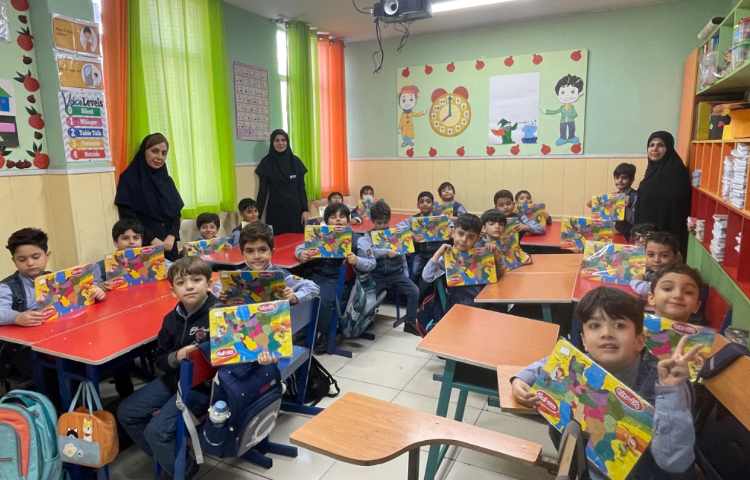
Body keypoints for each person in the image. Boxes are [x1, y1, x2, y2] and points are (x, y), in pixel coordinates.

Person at [511, 287, 699, 479]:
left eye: (619, 325)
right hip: (590, 466)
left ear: (639, 340)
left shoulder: (667, 384)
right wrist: (521, 379)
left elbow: (674, 463)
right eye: (595, 326)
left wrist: (671, 392)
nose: (607, 333)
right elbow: (552, 361)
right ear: (584, 341)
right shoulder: (584, 361)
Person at [117, 257, 278, 478]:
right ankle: (173, 460)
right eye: (181, 283)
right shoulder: (170, 319)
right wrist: (177, 356)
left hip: (207, 388)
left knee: (157, 432)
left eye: (196, 280)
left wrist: (263, 356)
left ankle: (184, 470)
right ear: (173, 290)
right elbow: (160, 359)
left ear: (209, 284)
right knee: (127, 412)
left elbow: (253, 345)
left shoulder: (225, 313)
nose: (189, 286)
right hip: (174, 380)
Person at [1, 228, 104, 394]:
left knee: (85, 353)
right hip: (26, 350)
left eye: (36, 257)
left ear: (47, 256)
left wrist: (96, 292)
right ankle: (59, 400)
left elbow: (77, 297)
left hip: (59, 338)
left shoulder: (56, 278)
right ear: (14, 261)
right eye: (22, 259)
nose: (30, 263)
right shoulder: (7, 287)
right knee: (55, 375)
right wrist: (17, 317)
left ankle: (80, 396)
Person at [295, 203, 374, 349]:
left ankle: (323, 334)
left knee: (322, 298)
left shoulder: (359, 239)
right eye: (333, 217)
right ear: (327, 221)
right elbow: (300, 247)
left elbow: (371, 263)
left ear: (348, 220)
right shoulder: (321, 234)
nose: (337, 220)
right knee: (295, 293)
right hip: (315, 274)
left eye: (342, 217)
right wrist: (301, 254)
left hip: (337, 279)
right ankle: (301, 331)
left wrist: (357, 260)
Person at [115, 133, 184, 261]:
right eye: (154, 151)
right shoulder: (129, 179)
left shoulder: (167, 180)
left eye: (164, 153)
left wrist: (172, 235)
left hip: (169, 245)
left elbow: (176, 213)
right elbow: (128, 216)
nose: (159, 157)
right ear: (144, 152)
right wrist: (152, 239)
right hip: (144, 244)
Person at [634, 131, 691, 257]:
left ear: (669, 148)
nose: (655, 149)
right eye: (651, 145)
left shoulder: (676, 171)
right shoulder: (652, 170)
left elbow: (675, 208)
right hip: (648, 234)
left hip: (664, 238)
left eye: (660, 145)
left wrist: (658, 237)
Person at [236, 223, 319, 304]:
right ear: (243, 254)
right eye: (250, 251)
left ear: (272, 252)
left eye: (262, 250)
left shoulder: (281, 275)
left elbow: (313, 287)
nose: (256, 256)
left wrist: (294, 297)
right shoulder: (237, 276)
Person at [369, 200, 419, 328]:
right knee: (369, 299)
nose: (383, 226)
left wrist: (406, 273)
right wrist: (386, 253)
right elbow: (368, 252)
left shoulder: (395, 234)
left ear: (389, 220)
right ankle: (367, 322)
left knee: (414, 291)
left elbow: (403, 256)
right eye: (379, 223)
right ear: (372, 221)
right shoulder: (368, 235)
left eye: (385, 222)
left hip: (396, 274)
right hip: (377, 275)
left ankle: (410, 323)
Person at [422, 213, 488, 308]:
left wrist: (494, 254)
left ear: (477, 238)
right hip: (458, 305)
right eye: (460, 233)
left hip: (482, 303)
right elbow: (427, 276)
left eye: (471, 237)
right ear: (453, 233)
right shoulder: (447, 256)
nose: (464, 239)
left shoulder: (482, 254)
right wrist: (438, 254)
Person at [255, 129, 309, 234]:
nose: (280, 143)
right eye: (277, 140)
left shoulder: (296, 161)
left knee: (296, 240)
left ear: (287, 142)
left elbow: (301, 189)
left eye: (283, 140)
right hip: (275, 212)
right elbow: (262, 192)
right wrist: (257, 216)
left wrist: (305, 210)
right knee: (277, 241)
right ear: (272, 143)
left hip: (295, 211)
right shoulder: (266, 162)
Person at [630, 231, 681, 297]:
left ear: (675, 257)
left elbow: (649, 289)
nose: (656, 260)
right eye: (651, 255)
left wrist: (636, 281)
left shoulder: (674, 275)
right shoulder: (653, 270)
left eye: (664, 255)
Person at [410, 191, 444, 287]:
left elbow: (450, 229)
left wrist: (449, 231)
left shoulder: (440, 219)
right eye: (422, 202)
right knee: (414, 272)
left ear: (433, 205)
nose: (425, 204)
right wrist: (412, 235)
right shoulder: (413, 219)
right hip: (420, 253)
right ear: (418, 205)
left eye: (428, 202)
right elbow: (403, 232)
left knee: (440, 273)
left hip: (436, 253)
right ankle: (416, 291)